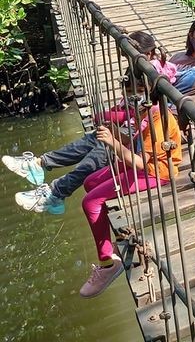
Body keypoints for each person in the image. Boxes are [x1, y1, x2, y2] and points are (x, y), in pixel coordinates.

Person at [2, 31, 176, 214]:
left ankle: (55, 190)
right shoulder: (141, 74)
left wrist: (113, 131)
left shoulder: (154, 78)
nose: (127, 58)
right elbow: (130, 111)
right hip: (136, 131)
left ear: (147, 54)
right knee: (98, 136)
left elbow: (143, 123)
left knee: (105, 147)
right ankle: (41, 164)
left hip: (147, 148)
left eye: (129, 54)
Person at [79, 67, 182, 298]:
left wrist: (114, 143)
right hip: (143, 162)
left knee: (90, 201)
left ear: (151, 92)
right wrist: (117, 133)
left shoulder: (158, 116)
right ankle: (113, 244)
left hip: (158, 171)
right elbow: (136, 142)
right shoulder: (144, 110)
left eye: (139, 91)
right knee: (90, 181)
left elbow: (142, 163)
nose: (133, 97)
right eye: (128, 92)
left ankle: (108, 263)